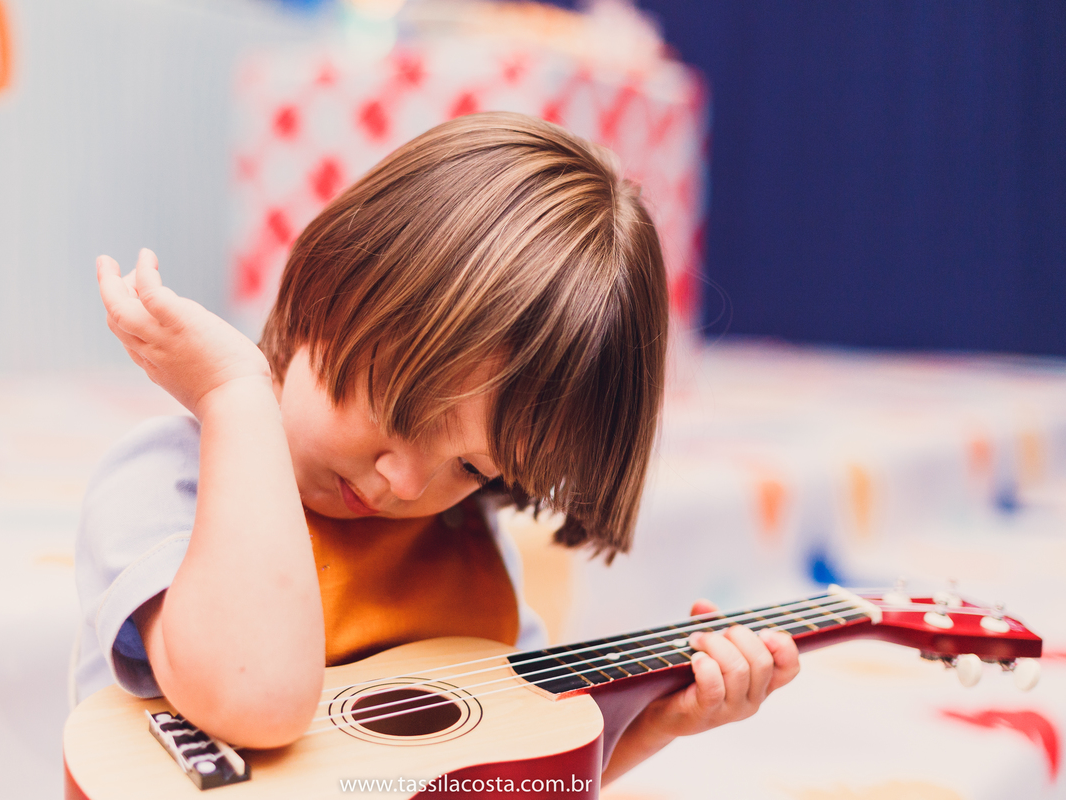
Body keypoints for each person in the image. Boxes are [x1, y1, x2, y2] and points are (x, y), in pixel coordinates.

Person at [74, 111, 799, 784]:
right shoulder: (168, 482)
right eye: (399, 411)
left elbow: (501, 780)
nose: (407, 483)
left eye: (473, 467)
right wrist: (235, 395)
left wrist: (651, 726)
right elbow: (254, 696)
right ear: (332, 292)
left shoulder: (466, 544)